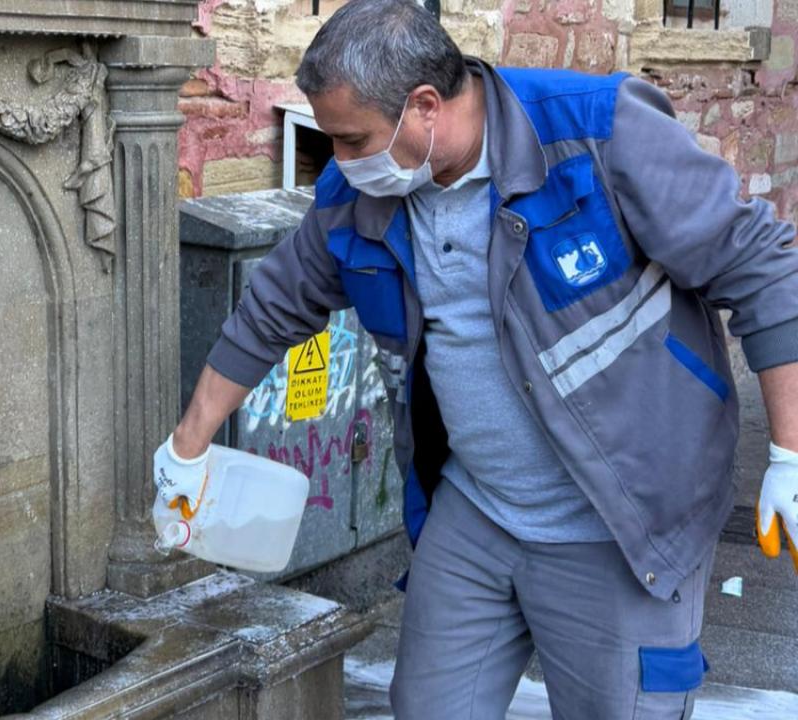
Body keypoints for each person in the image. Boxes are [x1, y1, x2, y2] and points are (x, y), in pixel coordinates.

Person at [152, 1, 798, 717]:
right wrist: (187, 448)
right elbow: (270, 309)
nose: (336, 161)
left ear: (425, 106)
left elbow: (765, 272)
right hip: (478, 511)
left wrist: (790, 457)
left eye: (351, 138)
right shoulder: (357, 197)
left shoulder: (598, 133)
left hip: (623, 528)